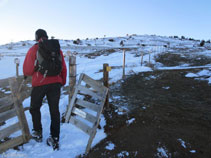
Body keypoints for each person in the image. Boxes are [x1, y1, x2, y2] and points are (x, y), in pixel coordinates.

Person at [23, 29, 67, 150]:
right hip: (56, 83)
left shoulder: (34, 49)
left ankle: (38, 132)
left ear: (37, 37)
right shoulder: (57, 48)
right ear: (47, 36)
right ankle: (55, 137)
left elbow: (27, 70)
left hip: (39, 84)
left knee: (34, 108)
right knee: (54, 110)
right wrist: (62, 81)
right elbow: (63, 67)